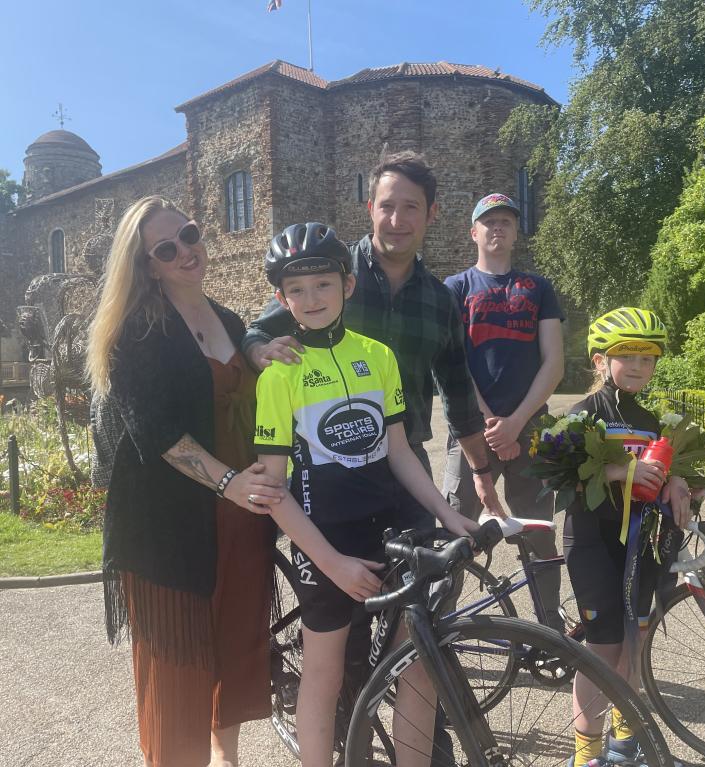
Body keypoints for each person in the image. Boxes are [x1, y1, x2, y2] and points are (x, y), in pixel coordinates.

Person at [251, 222, 479, 767]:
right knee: (325, 673)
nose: (311, 299)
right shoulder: (279, 375)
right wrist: (329, 563)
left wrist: (448, 513)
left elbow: (398, 450)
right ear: (281, 299)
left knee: (415, 664)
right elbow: (273, 491)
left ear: (347, 286)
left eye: (323, 285)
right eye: (297, 290)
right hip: (326, 535)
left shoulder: (377, 356)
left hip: (394, 524)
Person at [86, 196, 285, 767]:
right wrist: (229, 484)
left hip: (241, 516)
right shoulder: (134, 333)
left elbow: (239, 346)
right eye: (166, 249)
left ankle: (227, 757)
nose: (186, 252)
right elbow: (157, 433)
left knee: (233, 646)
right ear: (148, 265)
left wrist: (257, 349)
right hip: (167, 526)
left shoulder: (222, 317)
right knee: (177, 664)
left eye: (189, 235)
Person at [243, 151, 502, 523]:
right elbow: (258, 332)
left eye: (411, 207)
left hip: (406, 458)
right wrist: (260, 353)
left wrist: (480, 472)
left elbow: (458, 392)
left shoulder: (440, 300)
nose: (397, 220)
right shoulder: (325, 274)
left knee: (428, 572)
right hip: (330, 463)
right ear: (370, 208)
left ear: (432, 213)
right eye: (387, 206)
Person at [564, 307, 691, 767]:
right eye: (627, 356)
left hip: (640, 543)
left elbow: (662, 468)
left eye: (648, 358)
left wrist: (675, 480)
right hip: (592, 539)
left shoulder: (651, 420)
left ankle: (624, 741)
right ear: (600, 361)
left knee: (635, 639)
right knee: (604, 647)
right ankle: (586, 754)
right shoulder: (583, 412)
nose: (639, 366)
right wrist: (618, 469)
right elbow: (555, 472)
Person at [442, 192, 565, 629]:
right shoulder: (455, 289)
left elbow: (554, 362)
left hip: (530, 431)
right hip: (471, 432)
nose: (497, 228)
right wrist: (490, 422)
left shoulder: (538, 289)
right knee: (456, 529)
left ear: (516, 232)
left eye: (506, 222)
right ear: (473, 232)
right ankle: (440, 628)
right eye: (488, 221)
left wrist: (515, 424)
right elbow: (452, 364)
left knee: (538, 531)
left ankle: (550, 627)